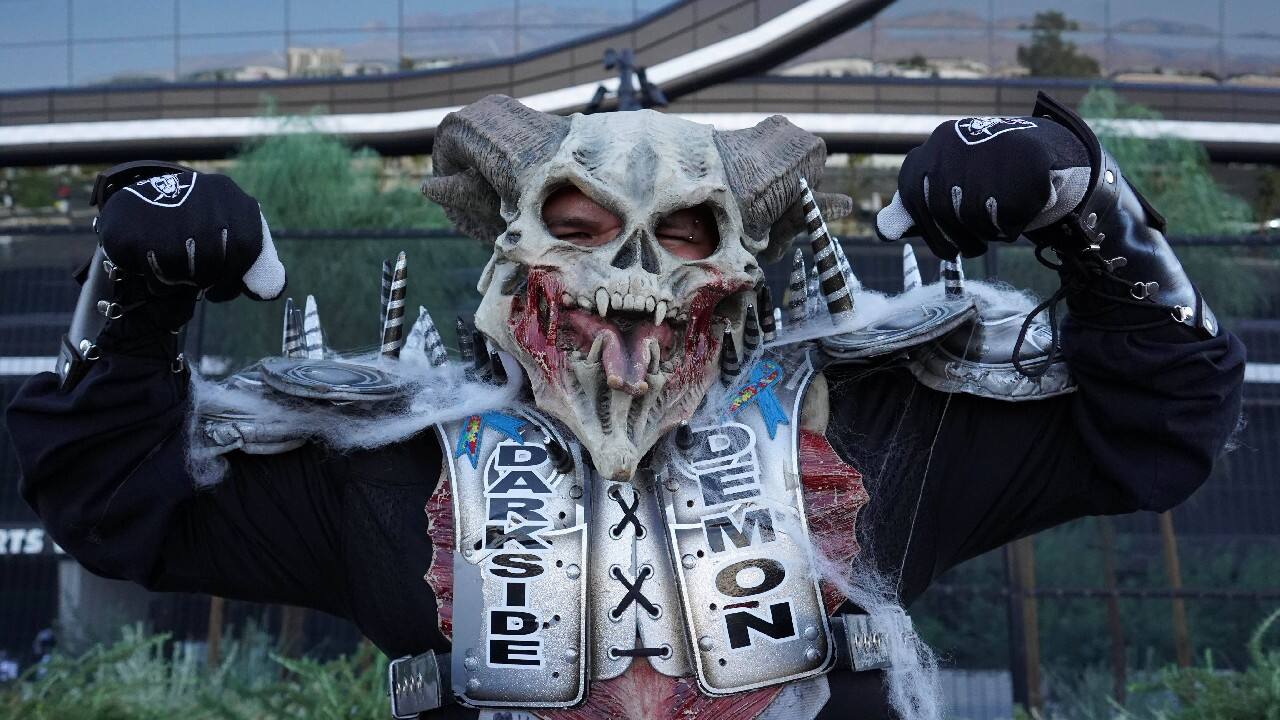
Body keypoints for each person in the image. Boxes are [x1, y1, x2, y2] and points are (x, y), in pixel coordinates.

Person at [7, 93, 1243, 719]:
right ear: (511, 269)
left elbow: (1160, 423)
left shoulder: (863, 440)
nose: (632, 283)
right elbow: (117, 506)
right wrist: (132, 297)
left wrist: (1088, 211)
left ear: (733, 273)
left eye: (681, 237)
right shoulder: (396, 474)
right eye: (579, 232)